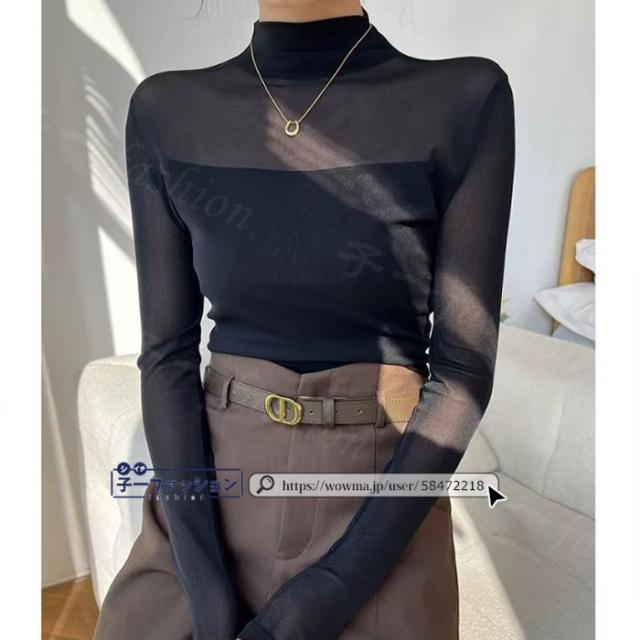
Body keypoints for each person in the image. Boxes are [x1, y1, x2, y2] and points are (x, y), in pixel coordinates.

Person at [93, 1, 515, 639]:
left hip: (378, 511)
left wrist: (330, 590)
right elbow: (166, 357)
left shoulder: (464, 98)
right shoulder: (166, 111)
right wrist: (208, 595)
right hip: (212, 500)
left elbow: (462, 371)